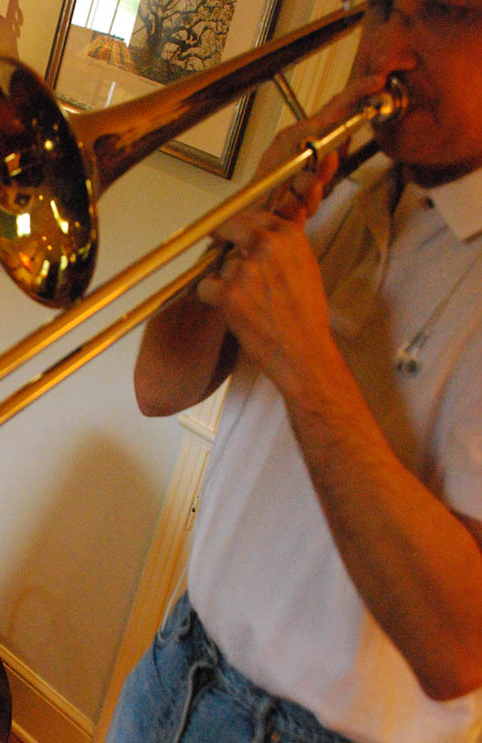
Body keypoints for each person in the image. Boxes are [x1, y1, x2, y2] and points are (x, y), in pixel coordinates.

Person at [108, 1, 482, 741]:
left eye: (438, 12)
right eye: (380, 9)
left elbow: (458, 647)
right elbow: (158, 386)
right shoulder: (344, 181)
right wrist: (238, 225)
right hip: (177, 663)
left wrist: (306, 359)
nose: (390, 51)